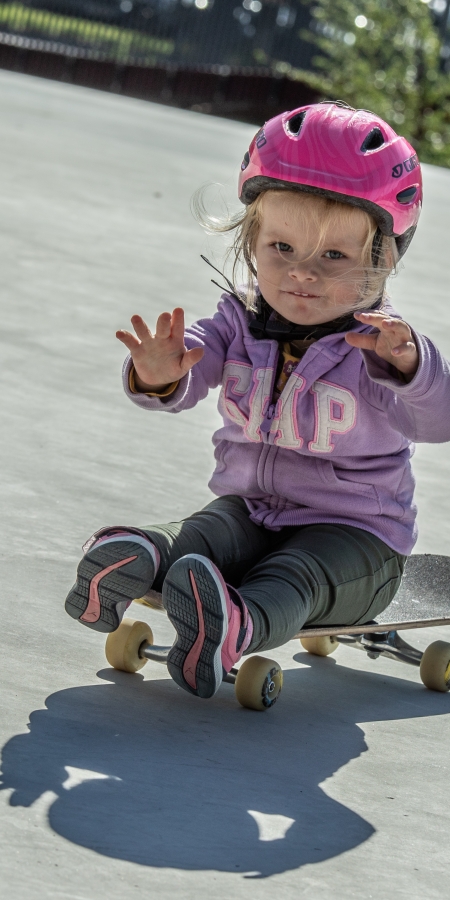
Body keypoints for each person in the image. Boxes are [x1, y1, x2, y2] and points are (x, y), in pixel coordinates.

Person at [65, 101, 450, 700]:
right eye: (281, 248)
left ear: (384, 258)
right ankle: (135, 557)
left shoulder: (381, 345)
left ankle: (235, 626)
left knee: (296, 575)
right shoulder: (238, 320)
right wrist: (160, 373)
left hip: (357, 541)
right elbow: (193, 362)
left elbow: (440, 417)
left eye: (333, 256)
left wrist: (410, 367)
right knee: (204, 537)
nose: (303, 275)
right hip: (252, 509)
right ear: (251, 237)